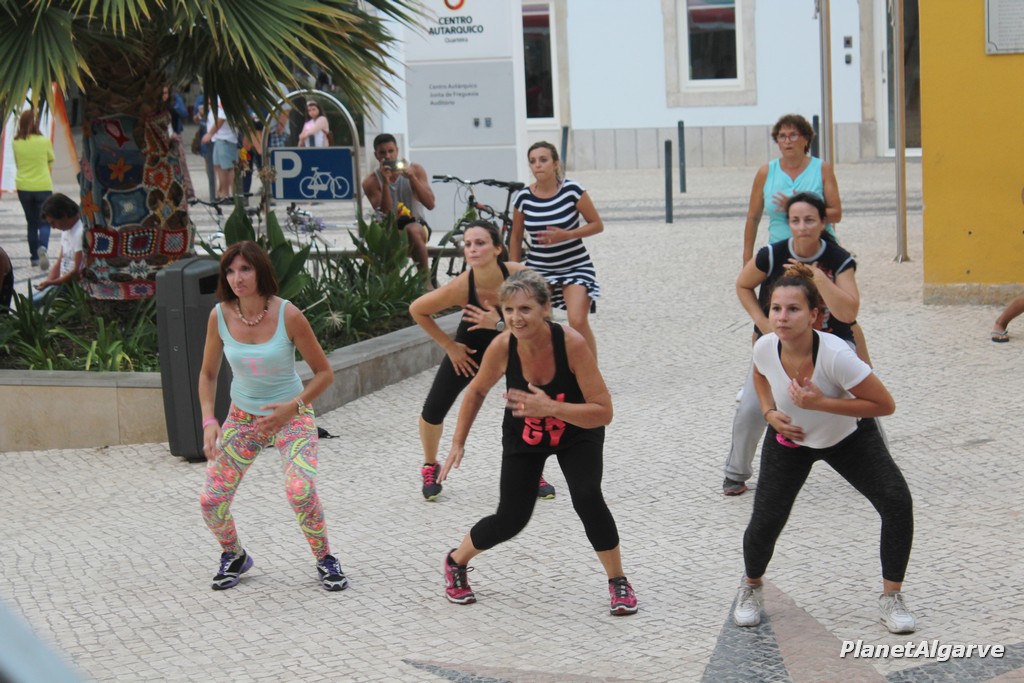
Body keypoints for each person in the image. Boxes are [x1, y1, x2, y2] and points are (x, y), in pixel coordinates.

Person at [438, 269, 638, 616]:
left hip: (577, 430)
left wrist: (553, 408)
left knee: (588, 496)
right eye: (509, 310)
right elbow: (477, 390)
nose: (516, 318)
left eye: (525, 309)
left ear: (545, 309)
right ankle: (456, 561)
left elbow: (604, 412)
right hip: (525, 434)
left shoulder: (572, 344)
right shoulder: (503, 346)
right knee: (511, 518)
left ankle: (617, 580)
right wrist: (458, 441)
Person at [731, 262, 916, 635]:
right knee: (765, 521)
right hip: (791, 440)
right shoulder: (765, 345)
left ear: (815, 315)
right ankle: (751, 586)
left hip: (849, 438)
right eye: (776, 309)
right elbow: (759, 374)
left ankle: (892, 597)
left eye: (793, 309)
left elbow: (884, 405)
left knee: (896, 501)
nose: (782, 317)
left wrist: (822, 404)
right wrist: (768, 412)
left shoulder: (836, 355)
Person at [197, 241, 346, 592]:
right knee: (211, 501)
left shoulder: (288, 315)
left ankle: (325, 557)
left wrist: (293, 407)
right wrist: (209, 420)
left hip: (291, 414)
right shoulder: (220, 315)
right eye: (230, 271)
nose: (237, 278)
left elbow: (324, 373)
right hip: (242, 417)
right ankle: (234, 554)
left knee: (300, 490)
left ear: (260, 271)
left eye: (245, 269)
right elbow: (208, 373)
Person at [724, 193, 861, 496]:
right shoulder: (772, 255)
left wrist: (819, 279)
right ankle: (735, 472)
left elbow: (849, 313)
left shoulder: (839, 260)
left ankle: (876, 464)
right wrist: (763, 323)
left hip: (830, 344)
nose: (802, 227)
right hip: (782, 346)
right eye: (795, 221)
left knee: (861, 401)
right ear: (787, 223)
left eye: (809, 220)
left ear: (823, 222)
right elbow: (743, 284)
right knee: (750, 408)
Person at [409, 221, 554, 501]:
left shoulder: (520, 276)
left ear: (498, 248)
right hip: (472, 346)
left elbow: (545, 314)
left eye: (480, 243)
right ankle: (429, 466)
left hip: (516, 344)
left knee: (525, 406)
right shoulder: (462, 285)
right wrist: (450, 347)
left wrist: (500, 323)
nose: (472, 249)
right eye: (468, 244)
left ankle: (531, 469)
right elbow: (417, 309)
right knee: (434, 408)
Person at [510, 141, 603, 357]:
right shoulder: (523, 197)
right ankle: (547, 369)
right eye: (533, 161)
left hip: (575, 265)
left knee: (577, 320)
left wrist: (567, 235)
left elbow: (597, 225)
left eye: (543, 160)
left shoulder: (572, 190)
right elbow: (515, 237)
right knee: (538, 323)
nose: (537, 165)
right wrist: (513, 272)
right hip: (539, 268)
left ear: (555, 164)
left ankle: (591, 372)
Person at [741, 114, 841, 265]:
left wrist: (796, 207)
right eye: (782, 136)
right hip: (779, 253)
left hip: (819, 252)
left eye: (793, 135)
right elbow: (753, 218)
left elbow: (836, 214)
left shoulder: (822, 169)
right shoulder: (765, 172)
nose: (787, 141)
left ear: (806, 139)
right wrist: (747, 258)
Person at [361, 133, 435, 285]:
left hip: (418, 225)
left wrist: (413, 179)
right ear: (376, 155)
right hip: (390, 229)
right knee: (393, 236)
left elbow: (430, 204)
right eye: (382, 153)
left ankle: (425, 283)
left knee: (412, 230)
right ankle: (393, 286)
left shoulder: (415, 170)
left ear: (397, 151)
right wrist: (386, 183)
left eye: (391, 151)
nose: (388, 156)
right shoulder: (371, 181)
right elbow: (386, 213)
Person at [12, 109, 54, 272]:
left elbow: (17, 163)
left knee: (31, 223)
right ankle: (42, 247)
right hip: (43, 185)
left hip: (23, 186)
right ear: (36, 123)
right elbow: (51, 159)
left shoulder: (16, 143)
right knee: (45, 221)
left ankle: (34, 258)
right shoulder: (44, 141)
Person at [33, 193, 84, 306]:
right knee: (29, 300)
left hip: (74, 287)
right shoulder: (66, 230)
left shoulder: (80, 231)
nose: (53, 227)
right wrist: (48, 283)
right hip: (62, 283)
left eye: (53, 222)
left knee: (33, 303)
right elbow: (60, 261)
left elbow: (77, 272)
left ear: (64, 215)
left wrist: (52, 283)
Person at [201, 97, 238, 199]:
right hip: (218, 138)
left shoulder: (223, 96)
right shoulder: (215, 97)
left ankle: (229, 194)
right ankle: (223, 192)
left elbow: (222, 118)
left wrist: (210, 133)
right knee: (218, 166)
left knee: (227, 167)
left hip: (226, 138)